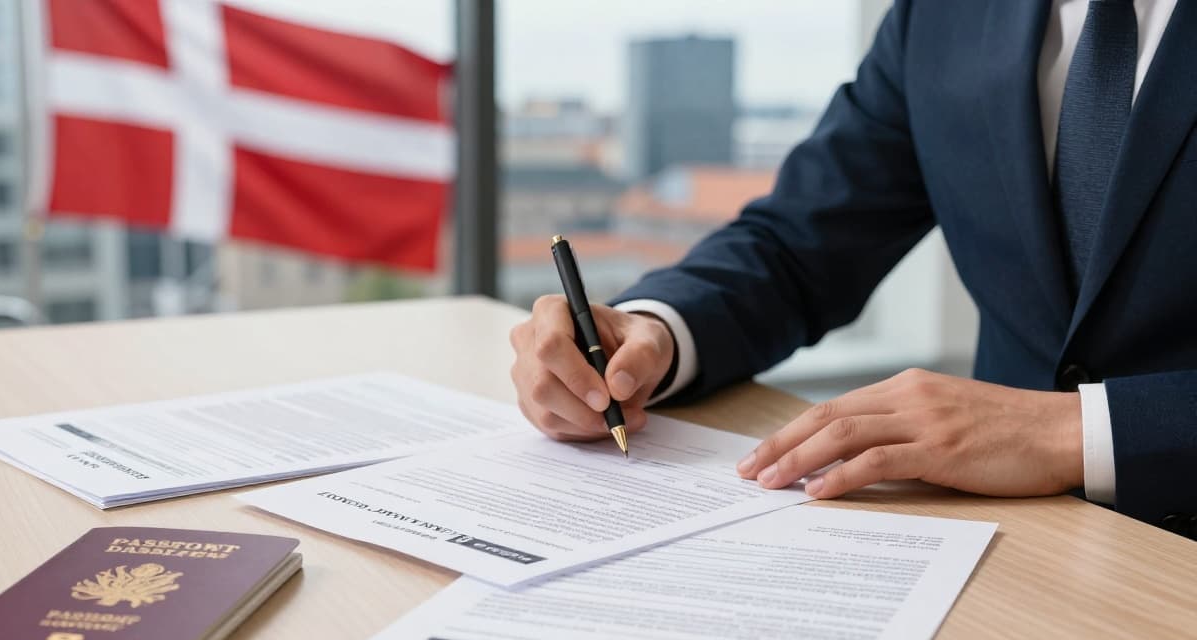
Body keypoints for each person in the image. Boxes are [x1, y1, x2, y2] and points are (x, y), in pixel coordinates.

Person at [509, 0, 1197, 538]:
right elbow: (799, 239)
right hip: (1005, 555)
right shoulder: (944, 13)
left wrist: (1076, 433)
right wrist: (651, 331)